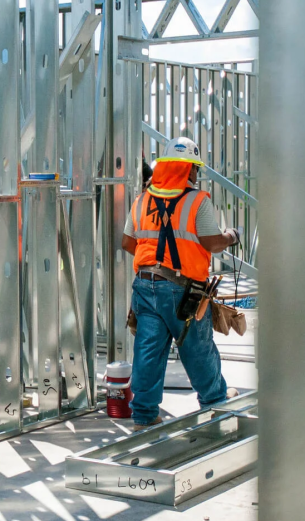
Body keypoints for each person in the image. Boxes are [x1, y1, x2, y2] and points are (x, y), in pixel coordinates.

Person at [122, 137, 241, 430]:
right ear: (187, 169)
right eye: (195, 169)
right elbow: (211, 242)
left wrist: (155, 258)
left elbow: (128, 242)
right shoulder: (198, 201)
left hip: (145, 286)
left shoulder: (143, 199)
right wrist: (231, 236)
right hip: (182, 290)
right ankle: (215, 404)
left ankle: (144, 414)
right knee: (198, 349)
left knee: (148, 350)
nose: (196, 175)